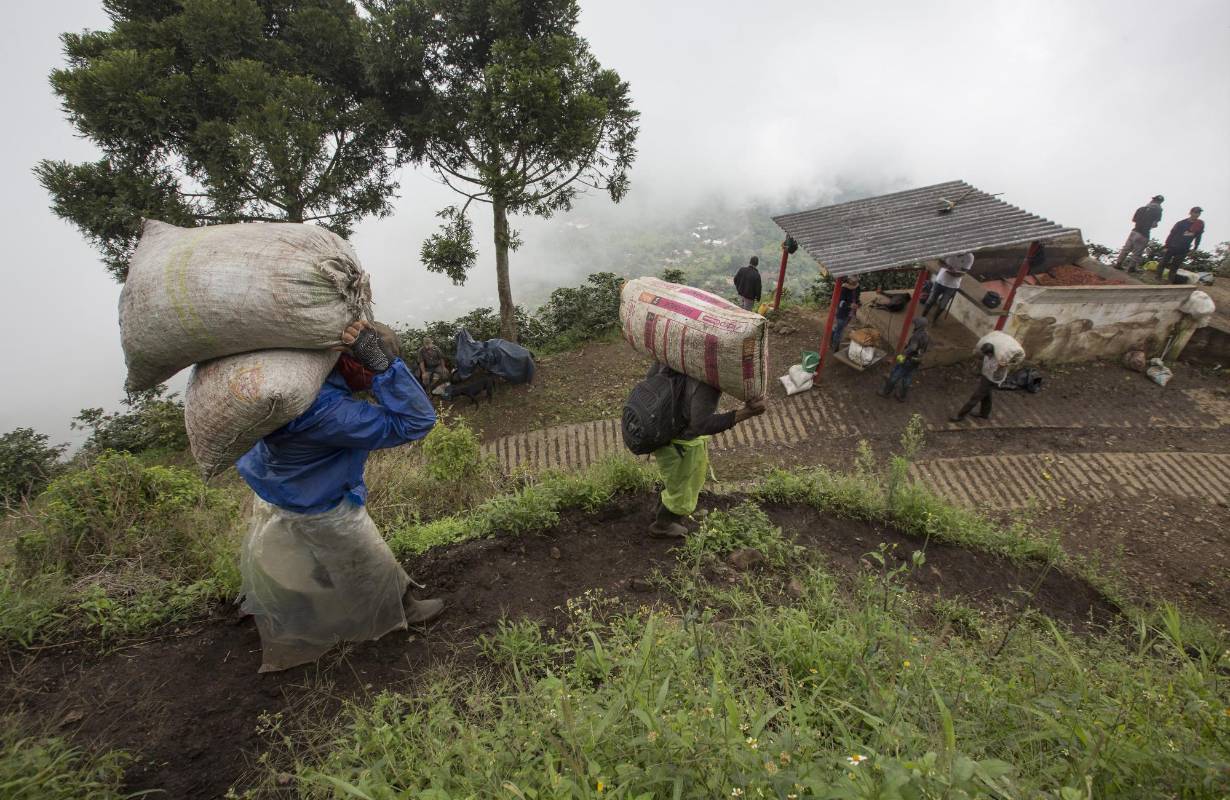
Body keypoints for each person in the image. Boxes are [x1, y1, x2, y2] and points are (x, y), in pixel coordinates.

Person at [236, 320, 441, 672]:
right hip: (318, 504)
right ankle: (397, 613)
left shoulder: (299, 384)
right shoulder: (328, 413)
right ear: (348, 362)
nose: (370, 380)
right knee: (367, 561)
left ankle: (288, 607)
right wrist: (382, 365)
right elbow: (416, 421)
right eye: (368, 370)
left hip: (279, 490)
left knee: (301, 565)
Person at [645, 364, 765, 538]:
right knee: (683, 486)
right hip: (680, 442)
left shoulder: (668, 361)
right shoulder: (706, 381)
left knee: (673, 476)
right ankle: (663, 524)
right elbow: (701, 424)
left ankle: (658, 508)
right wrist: (746, 412)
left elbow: (650, 379)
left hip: (660, 429)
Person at [949, 341, 1009, 422]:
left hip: (991, 380)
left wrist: (999, 368)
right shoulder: (988, 356)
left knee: (975, 397)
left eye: (987, 353)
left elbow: (997, 373)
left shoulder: (999, 360)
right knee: (987, 395)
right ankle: (984, 413)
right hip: (986, 377)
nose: (986, 355)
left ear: (991, 352)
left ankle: (960, 415)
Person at [877, 317, 929, 401]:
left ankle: (885, 392)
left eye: (915, 324)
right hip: (916, 361)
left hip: (908, 360)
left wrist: (903, 354)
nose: (914, 325)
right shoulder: (926, 336)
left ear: (919, 326)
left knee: (895, 375)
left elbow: (912, 348)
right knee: (907, 378)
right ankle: (902, 396)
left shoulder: (916, 336)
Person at [1113, 195, 1164, 272]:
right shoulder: (1158, 211)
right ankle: (1131, 268)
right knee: (1137, 252)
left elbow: (1134, 220)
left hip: (1135, 231)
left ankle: (1118, 264)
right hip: (1144, 234)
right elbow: (1154, 224)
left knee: (1126, 248)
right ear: (1160, 202)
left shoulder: (1141, 208)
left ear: (1153, 200)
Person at [1157, 207, 1205, 284]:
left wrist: (1195, 247)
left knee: (1175, 266)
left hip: (1184, 248)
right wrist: (1166, 245)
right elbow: (1171, 234)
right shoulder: (1181, 223)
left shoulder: (1199, 224)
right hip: (1172, 245)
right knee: (1164, 262)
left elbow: (1198, 237)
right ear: (1191, 212)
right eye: (1195, 212)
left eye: (1198, 213)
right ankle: (1158, 278)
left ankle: (1170, 281)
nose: (1197, 214)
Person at [921, 252, 974, 322]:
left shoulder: (969, 257)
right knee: (931, 300)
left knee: (942, 305)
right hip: (940, 281)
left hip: (953, 286)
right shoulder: (950, 250)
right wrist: (947, 267)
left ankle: (934, 320)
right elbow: (939, 262)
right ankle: (922, 316)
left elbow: (963, 273)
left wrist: (955, 273)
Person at [829, 275, 861, 352]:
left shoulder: (857, 287)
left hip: (850, 313)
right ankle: (835, 347)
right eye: (852, 281)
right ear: (848, 280)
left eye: (856, 281)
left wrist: (858, 304)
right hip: (842, 312)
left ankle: (832, 336)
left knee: (841, 327)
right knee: (839, 330)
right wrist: (850, 305)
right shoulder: (844, 288)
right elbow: (840, 302)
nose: (854, 282)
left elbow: (857, 298)